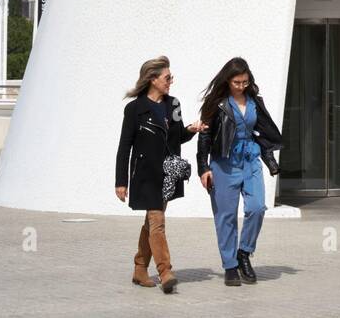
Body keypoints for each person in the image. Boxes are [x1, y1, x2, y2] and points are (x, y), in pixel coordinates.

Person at [115, 56, 204, 293]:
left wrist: (191, 130)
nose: (170, 82)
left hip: (167, 173)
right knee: (157, 222)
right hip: (144, 175)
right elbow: (125, 146)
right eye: (167, 78)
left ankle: (140, 267)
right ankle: (165, 272)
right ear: (152, 79)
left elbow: (177, 137)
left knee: (151, 222)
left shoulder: (173, 105)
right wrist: (120, 181)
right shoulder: (134, 109)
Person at [197, 57, 283, 286]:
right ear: (227, 80)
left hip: (251, 161)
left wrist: (269, 158)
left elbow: (263, 132)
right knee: (226, 217)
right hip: (224, 163)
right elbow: (204, 136)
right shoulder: (216, 103)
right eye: (237, 82)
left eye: (245, 82)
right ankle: (230, 266)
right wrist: (203, 168)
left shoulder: (255, 101)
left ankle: (244, 253)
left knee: (257, 207)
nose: (241, 86)